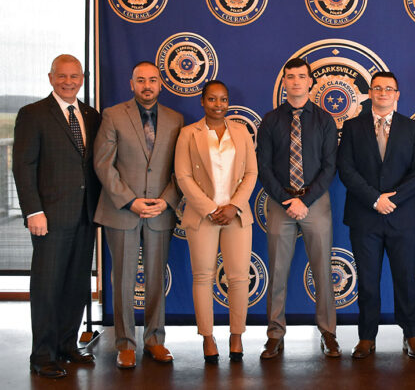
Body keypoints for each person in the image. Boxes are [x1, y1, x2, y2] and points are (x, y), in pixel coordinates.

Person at [13, 54, 101, 378]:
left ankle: (66, 345)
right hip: (48, 218)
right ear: (51, 78)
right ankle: (43, 354)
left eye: (74, 76)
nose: (68, 81)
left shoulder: (91, 116)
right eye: (62, 76)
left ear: (82, 78)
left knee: (77, 285)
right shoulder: (32, 114)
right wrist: (33, 211)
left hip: (85, 216)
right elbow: (23, 167)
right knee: (47, 287)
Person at [93, 61, 184, 368]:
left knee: (157, 278)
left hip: (160, 211)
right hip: (123, 211)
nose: (147, 86)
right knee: (124, 279)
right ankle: (125, 343)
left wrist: (167, 200)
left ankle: (155, 340)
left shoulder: (175, 119)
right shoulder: (113, 115)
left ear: (161, 84)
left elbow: (180, 168)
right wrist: (129, 200)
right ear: (131, 84)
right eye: (141, 80)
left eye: (153, 80)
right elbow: (103, 164)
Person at [337, 72, 415, 359]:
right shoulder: (352, 127)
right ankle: (366, 337)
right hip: (365, 216)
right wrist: (375, 199)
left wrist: (394, 199)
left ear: (397, 94)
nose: (383, 93)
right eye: (378, 88)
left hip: (402, 218)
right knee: (367, 281)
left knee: (405, 279)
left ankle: (411, 335)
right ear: (370, 93)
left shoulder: (412, 128)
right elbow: (346, 169)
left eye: (389, 89)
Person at [256, 58, 340, 358]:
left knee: (322, 271)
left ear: (310, 82)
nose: (295, 82)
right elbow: (263, 167)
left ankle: (328, 333)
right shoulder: (270, 120)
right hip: (281, 203)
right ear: (285, 82)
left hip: (315, 203)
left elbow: (330, 167)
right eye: (289, 77)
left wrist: (305, 200)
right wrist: (286, 199)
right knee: (277, 272)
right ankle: (275, 334)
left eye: (301, 77)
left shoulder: (325, 120)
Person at [175, 80, 258, 363]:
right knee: (203, 277)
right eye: (212, 99)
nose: (218, 105)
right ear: (202, 101)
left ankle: (237, 335)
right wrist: (210, 208)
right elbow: (183, 176)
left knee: (238, 278)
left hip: (236, 215)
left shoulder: (242, 131)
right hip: (202, 216)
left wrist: (234, 205)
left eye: (223, 99)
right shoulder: (188, 133)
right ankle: (208, 338)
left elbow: (251, 173)